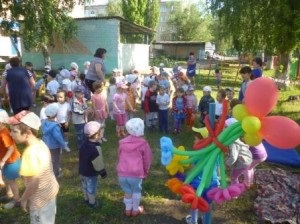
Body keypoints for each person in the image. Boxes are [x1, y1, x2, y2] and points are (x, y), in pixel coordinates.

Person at [7, 110, 59, 224]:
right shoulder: (41, 143)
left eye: (14, 131)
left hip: (40, 200)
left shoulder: (29, 154)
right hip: (50, 191)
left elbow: (34, 182)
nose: (11, 134)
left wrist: (24, 199)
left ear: (28, 133)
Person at [116, 118, 152, 217]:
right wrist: (145, 172)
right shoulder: (143, 143)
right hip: (136, 174)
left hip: (122, 173)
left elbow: (119, 155)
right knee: (136, 191)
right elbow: (147, 160)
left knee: (127, 191)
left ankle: (128, 210)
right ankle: (135, 210)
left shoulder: (122, 142)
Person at [185, 127, 219, 224]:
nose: (194, 140)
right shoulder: (215, 152)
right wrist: (218, 180)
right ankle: (206, 221)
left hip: (197, 184)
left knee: (195, 203)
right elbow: (217, 168)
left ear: (203, 141)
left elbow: (192, 170)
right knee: (207, 204)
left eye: (195, 138)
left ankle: (193, 221)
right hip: (212, 184)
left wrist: (187, 180)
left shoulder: (196, 154)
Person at [79, 121, 107, 208]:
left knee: (84, 186)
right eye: (101, 131)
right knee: (91, 188)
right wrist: (103, 173)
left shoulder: (84, 144)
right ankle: (92, 203)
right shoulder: (95, 148)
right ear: (97, 135)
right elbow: (98, 164)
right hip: (91, 173)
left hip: (82, 170)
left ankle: (86, 199)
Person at [0, 109, 21, 209]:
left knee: (11, 181)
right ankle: (9, 194)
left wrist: (3, 160)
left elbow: (11, 148)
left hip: (11, 161)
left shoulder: (4, 134)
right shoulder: (1, 131)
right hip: (5, 161)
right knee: (5, 177)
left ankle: (17, 200)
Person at [225, 118, 253, 187]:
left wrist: (227, 163)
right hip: (247, 159)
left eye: (225, 127)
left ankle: (235, 192)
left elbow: (233, 157)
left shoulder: (233, 141)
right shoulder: (235, 137)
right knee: (235, 174)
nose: (224, 129)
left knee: (233, 177)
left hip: (243, 162)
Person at [41, 103, 67, 178]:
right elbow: (58, 137)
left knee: (48, 159)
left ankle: (48, 171)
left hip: (46, 144)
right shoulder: (55, 126)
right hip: (55, 146)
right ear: (56, 114)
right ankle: (56, 174)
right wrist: (64, 145)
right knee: (56, 160)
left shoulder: (44, 122)